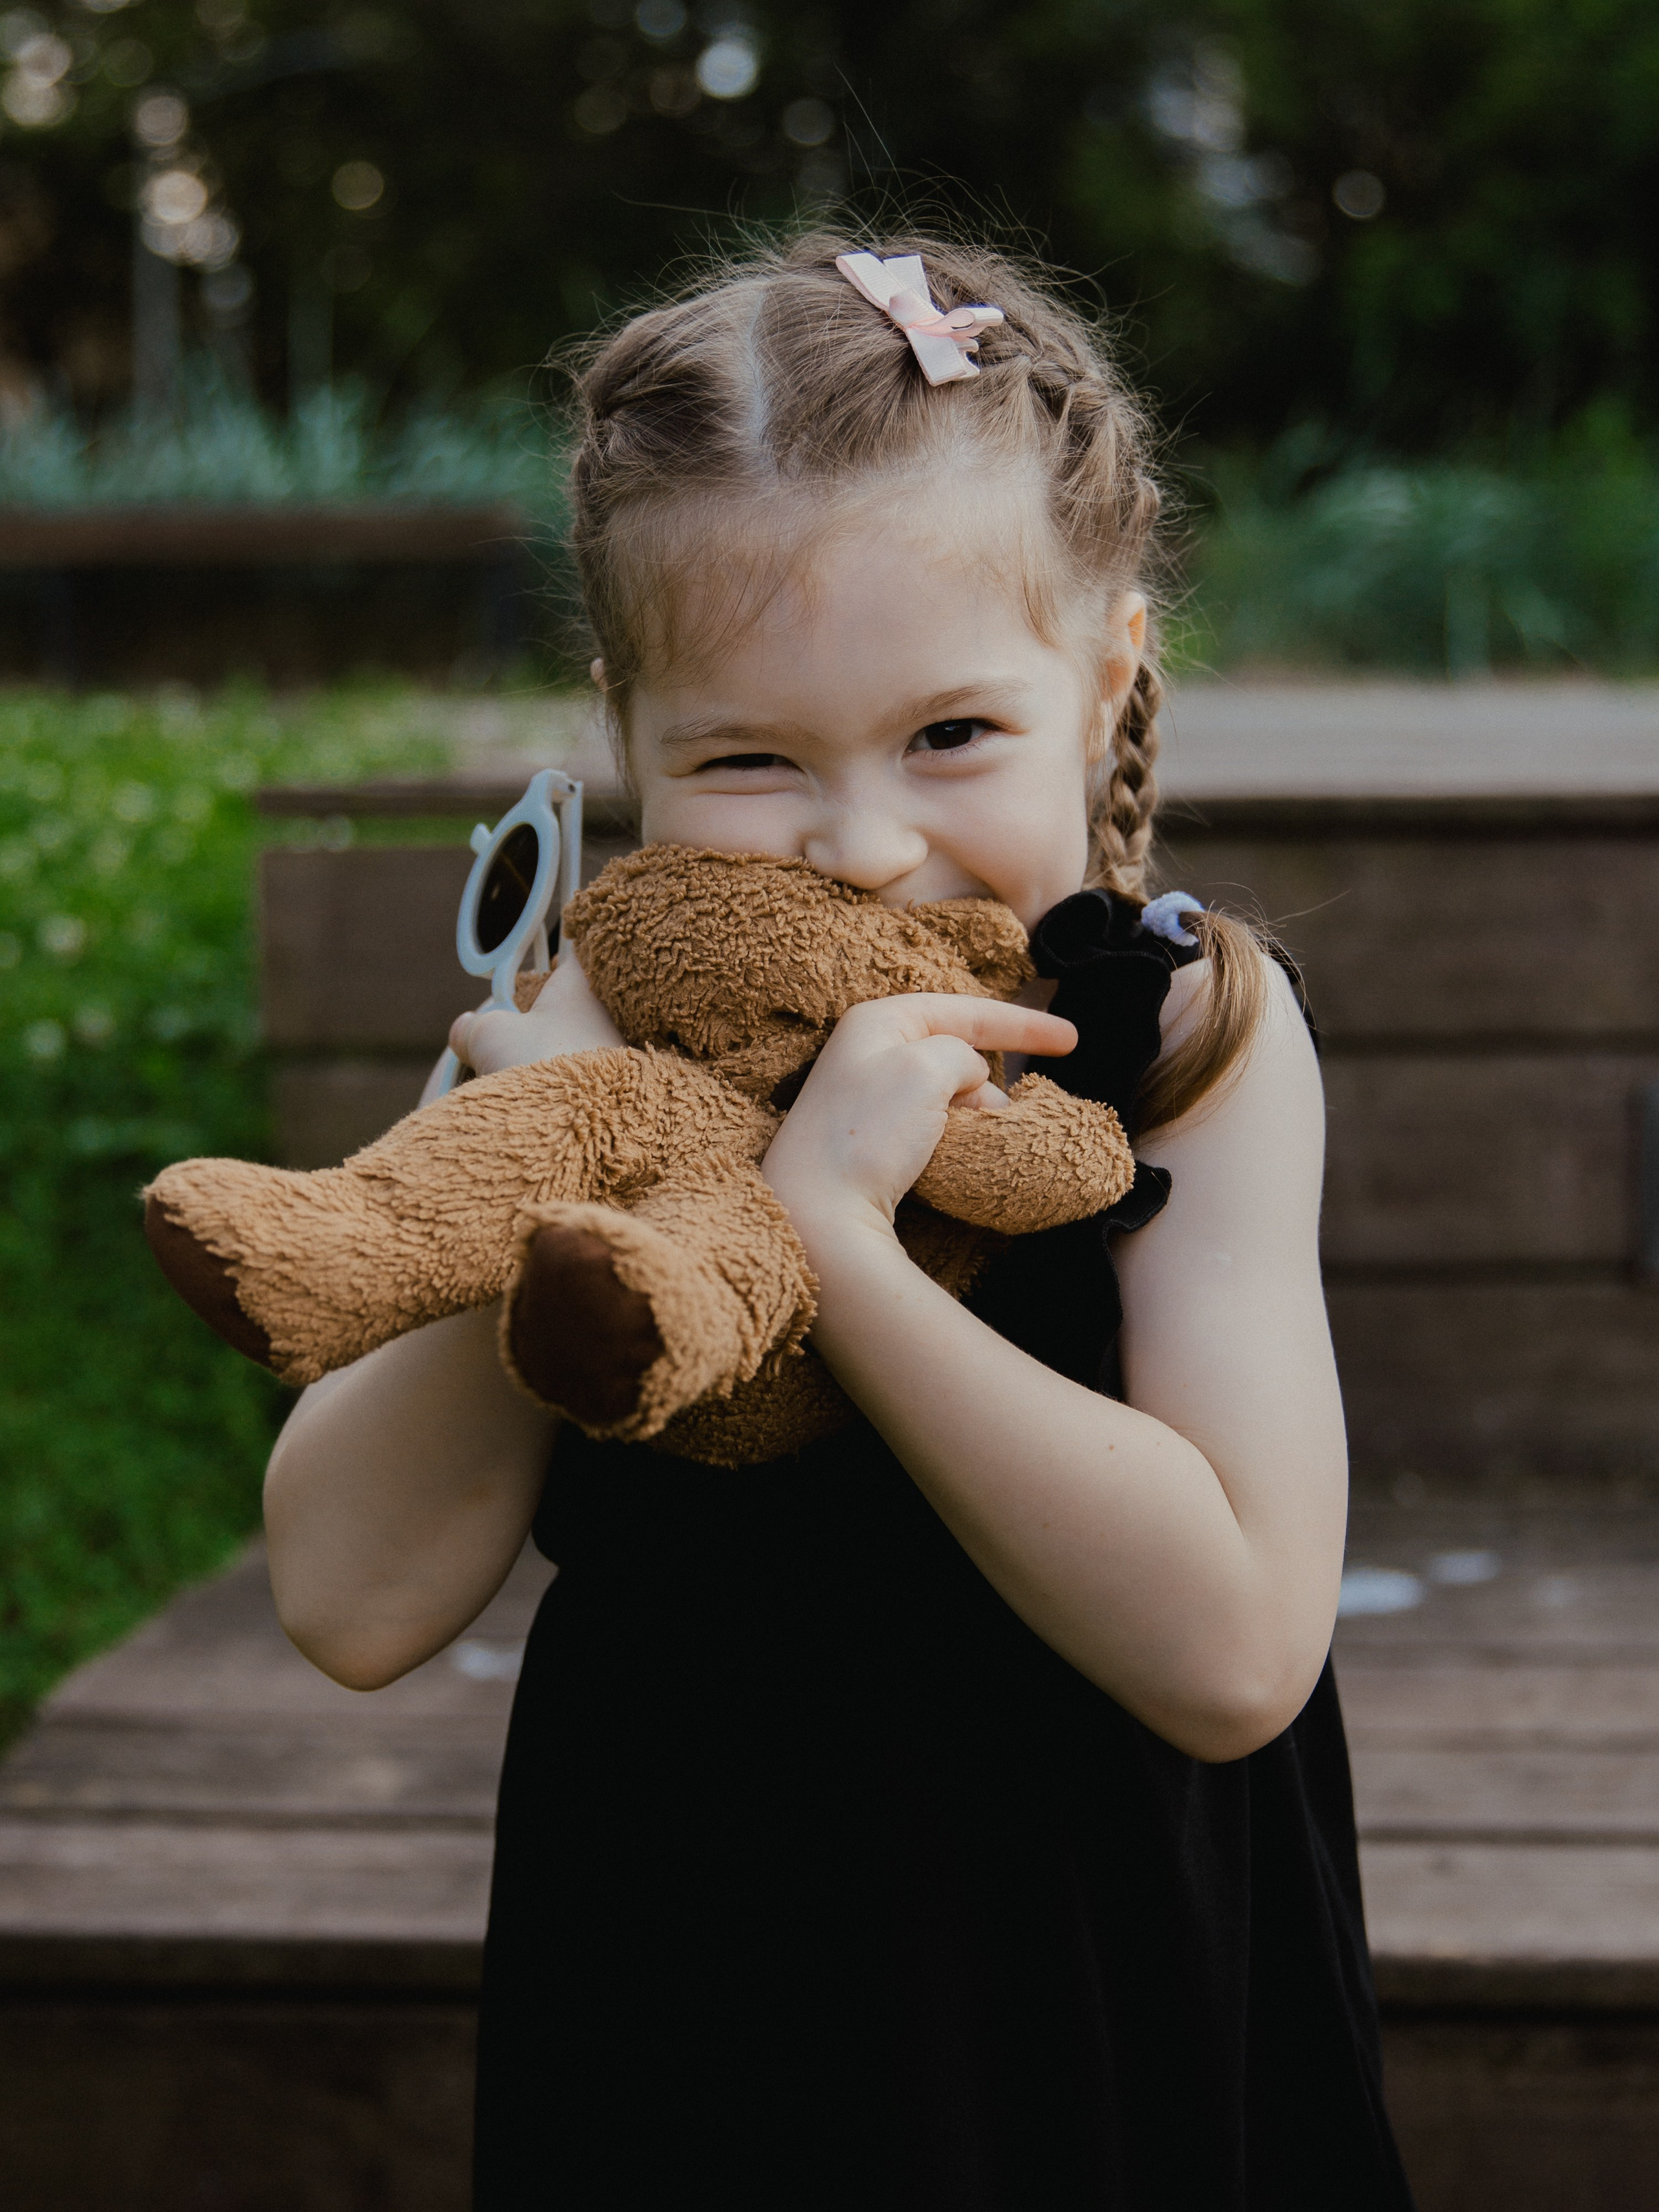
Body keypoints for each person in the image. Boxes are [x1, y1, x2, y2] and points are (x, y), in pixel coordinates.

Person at [262, 233, 1415, 2209]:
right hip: (684, 1991)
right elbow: (355, 1601)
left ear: (1109, 673)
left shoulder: (1177, 1039)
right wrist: (548, 1138)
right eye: (748, 759)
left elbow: (1233, 1650)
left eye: (952, 734)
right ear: (627, 731)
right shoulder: (587, 1031)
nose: (867, 843)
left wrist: (842, 1247)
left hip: (1086, 1982)